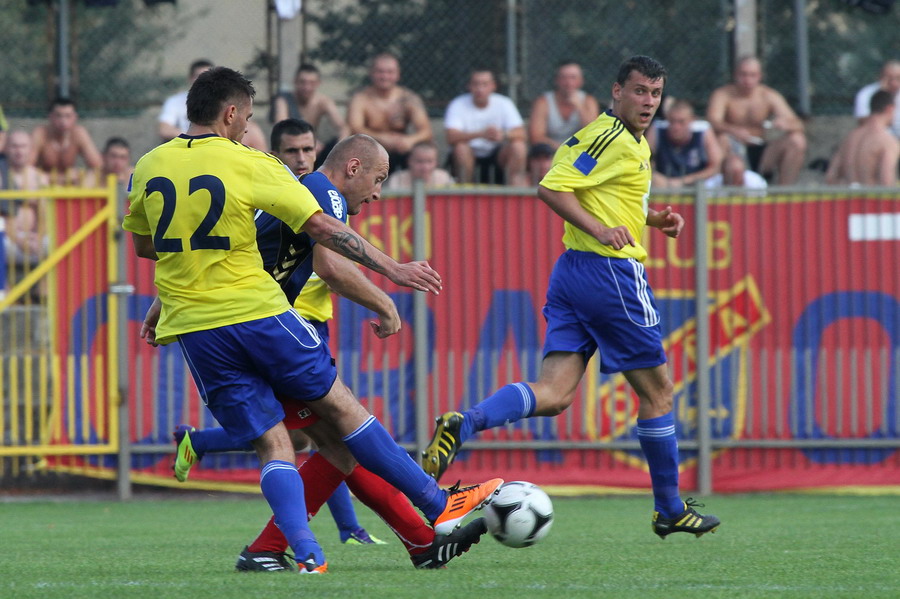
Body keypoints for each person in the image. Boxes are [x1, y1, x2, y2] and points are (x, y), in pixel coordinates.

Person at [122, 66, 500, 573]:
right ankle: (437, 505)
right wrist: (394, 272)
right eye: (248, 118)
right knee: (343, 415)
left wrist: (163, 301)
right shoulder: (249, 162)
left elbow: (152, 246)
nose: (246, 128)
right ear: (230, 113)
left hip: (195, 327)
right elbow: (322, 232)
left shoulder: (147, 166)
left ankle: (301, 550)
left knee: (281, 442)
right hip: (258, 314)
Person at [423, 56, 721, 540]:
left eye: (656, 94)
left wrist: (651, 219)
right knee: (658, 392)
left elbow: (602, 194)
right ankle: (668, 507)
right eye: (640, 91)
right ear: (617, 91)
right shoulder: (607, 136)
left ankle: (465, 421)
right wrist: (603, 230)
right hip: (611, 276)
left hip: (573, 275)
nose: (648, 102)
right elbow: (552, 187)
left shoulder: (630, 142)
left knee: (556, 395)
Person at [706, 56, 807, 185]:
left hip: (760, 150)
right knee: (721, 139)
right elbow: (712, 122)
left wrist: (786, 124)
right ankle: (721, 191)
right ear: (735, 75)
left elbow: (798, 124)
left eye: (752, 75)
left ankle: (785, 193)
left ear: (759, 76)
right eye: (743, 74)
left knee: (797, 140)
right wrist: (734, 130)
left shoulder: (769, 95)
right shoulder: (722, 94)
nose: (747, 80)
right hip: (732, 149)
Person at [346, 53, 433, 172]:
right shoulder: (360, 98)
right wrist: (382, 138)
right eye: (380, 72)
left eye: (390, 72)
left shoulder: (409, 98)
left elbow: (426, 131)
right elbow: (354, 128)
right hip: (369, 149)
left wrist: (410, 140)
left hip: (401, 149)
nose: (385, 76)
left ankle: (422, 188)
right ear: (372, 74)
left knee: (423, 151)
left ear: (398, 75)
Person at [444, 69, 528, 186]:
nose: (480, 89)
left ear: (493, 86)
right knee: (461, 148)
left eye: (485, 84)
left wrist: (503, 135)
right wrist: (481, 134)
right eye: (476, 84)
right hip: (469, 156)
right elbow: (450, 137)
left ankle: (516, 192)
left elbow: (522, 133)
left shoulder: (504, 103)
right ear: (469, 86)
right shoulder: (457, 104)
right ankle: (465, 191)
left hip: (497, 156)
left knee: (518, 146)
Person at [2, 129, 49, 291]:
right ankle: (4, 289)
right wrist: (19, 240)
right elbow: (3, 218)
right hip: (8, 239)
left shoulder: (39, 178)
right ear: (6, 148)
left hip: (34, 238)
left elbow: (45, 216)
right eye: (14, 146)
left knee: (53, 243)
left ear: (30, 150)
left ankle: (45, 290)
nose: (19, 151)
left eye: (23, 146)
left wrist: (39, 236)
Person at [270, 63, 349, 158]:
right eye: (303, 82)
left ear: (318, 83)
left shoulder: (323, 101)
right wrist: (312, 143)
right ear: (295, 82)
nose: (307, 87)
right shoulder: (283, 100)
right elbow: (281, 128)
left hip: (314, 150)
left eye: (311, 83)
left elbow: (343, 127)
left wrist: (339, 148)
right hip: (292, 149)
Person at [826, 90, 899, 186]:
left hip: (849, 199)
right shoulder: (888, 141)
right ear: (889, 109)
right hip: (873, 199)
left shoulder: (850, 137)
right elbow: (886, 181)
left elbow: (830, 177)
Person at [646, 99, 723, 189]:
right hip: (663, 185)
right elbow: (645, 161)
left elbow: (716, 167)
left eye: (681, 122)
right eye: (672, 121)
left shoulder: (703, 131)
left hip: (698, 185)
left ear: (692, 120)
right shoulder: (657, 130)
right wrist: (656, 176)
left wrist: (682, 181)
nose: (676, 127)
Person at [528, 61, 600, 148]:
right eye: (564, 78)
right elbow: (536, 137)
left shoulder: (589, 101)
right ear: (556, 80)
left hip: (580, 149)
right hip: (550, 150)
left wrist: (580, 107)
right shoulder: (543, 102)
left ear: (581, 81)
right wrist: (563, 149)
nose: (568, 83)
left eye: (573, 78)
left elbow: (594, 132)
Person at [30, 97, 102, 183]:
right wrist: (61, 178)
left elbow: (98, 166)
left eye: (68, 116)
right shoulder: (40, 134)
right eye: (58, 116)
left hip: (71, 188)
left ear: (75, 118)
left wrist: (82, 175)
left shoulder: (79, 133)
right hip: (44, 186)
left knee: (93, 176)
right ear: (50, 117)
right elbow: (26, 168)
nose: (63, 121)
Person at [158, 59, 214, 142]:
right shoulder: (174, 101)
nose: (203, 80)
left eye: (207, 76)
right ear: (190, 78)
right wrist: (194, 137)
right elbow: (164, 130)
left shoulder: (222, 102)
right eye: (198, 76)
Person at [853, 59, 900, 138]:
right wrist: (882, 94)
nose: (894, 83)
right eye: (889, 78)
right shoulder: (866, 93)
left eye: (898, 78)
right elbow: (862, 122)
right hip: (876, 138)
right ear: (880, 77)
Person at [384, 141, 454, 190]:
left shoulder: (445, 178)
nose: (425, 167)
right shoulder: (397, 179)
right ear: (409, 161)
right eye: (420, 161)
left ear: (436, 162)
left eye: (429, 161)